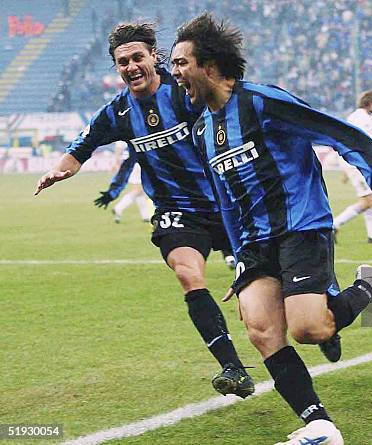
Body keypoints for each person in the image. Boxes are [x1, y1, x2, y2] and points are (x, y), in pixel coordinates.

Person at [171, 13, 372, 445]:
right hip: (255, 243)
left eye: (182, 63)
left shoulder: (262, 102)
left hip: (300, 227)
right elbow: (225, 202)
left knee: (310, 330)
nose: (175, 73)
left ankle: (369, 286)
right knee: (259, 328)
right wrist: (237, 257)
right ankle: (320, 425)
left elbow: (342, 134)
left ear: (210, 66)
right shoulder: (202, 129)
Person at [34, 22, 254, 398]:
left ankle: (335, 306)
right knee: (188, 275)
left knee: (264, 297)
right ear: (116, 68)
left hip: (228, 203)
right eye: (123, 62)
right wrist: (60, 169)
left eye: (138, 57)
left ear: (155, 56)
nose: (131, 66)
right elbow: (80, 148)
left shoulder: (186, 92)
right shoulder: (117, 113)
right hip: (178, 212)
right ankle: (233, 368)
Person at [333, 90, 372, 243]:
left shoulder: (361, 117)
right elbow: (365, 143)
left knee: (371, 198)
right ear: (371, 103)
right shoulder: (362, 118)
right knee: (368, 200)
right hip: (358, 163)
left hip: (356, 162)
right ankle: (334, 225)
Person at [95, 141, 153, 223]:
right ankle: (118, 208)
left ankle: (145, 216)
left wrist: (116, 162)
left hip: (131, 163)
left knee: (140, 192)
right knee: (138, 190)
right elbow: (119, 149)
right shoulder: (127, 131)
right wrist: (116, 162)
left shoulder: (121, 133)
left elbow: (119, 148)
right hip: (135, 163)